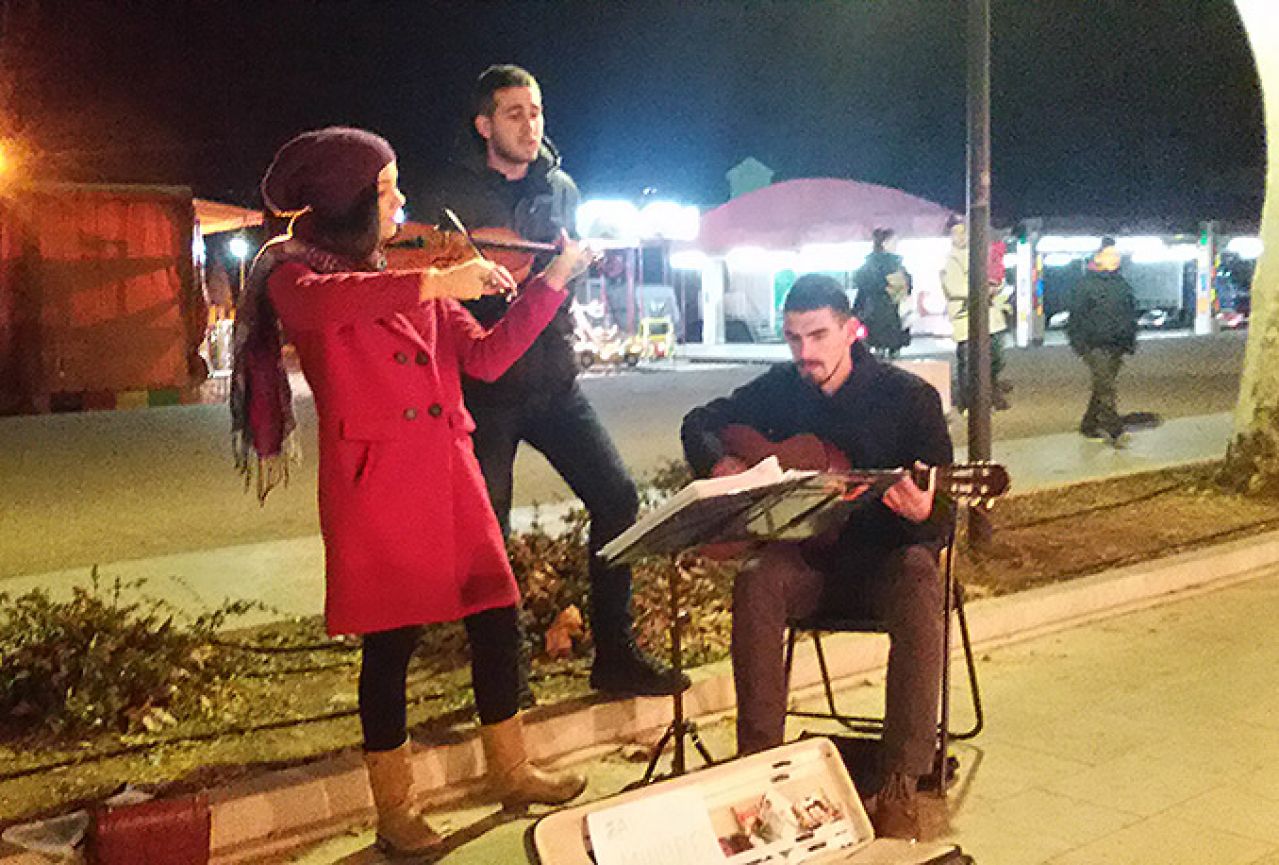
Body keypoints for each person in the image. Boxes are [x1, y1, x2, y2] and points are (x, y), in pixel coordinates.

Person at [230, 127, 589, 856]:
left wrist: (549, 286)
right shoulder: (291, 275)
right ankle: (395, 811)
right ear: (350, 200)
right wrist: (436, 279)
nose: (402, 202)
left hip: (449, 470)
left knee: (496, 613)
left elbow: (485, 360)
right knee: (389, 646)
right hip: (377, 483)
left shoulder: (405, 267)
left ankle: (510, 769)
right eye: (388, 190)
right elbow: (334, 307)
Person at [417, 65, 687, 697]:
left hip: (554, 381)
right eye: (514, 113)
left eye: (536, 111)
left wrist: (569, 275)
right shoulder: (446, 196)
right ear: (484, 124)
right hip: (484, 388)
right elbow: (433, 290)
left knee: (618, 498)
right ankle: (503, 687)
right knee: (491, 540)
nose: (530, 124)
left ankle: (615, 654)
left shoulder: (562, 187)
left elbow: (563, 277)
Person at [680, 274, 954, 840]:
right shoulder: (783, 389)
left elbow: (946, 517)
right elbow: (701, 422)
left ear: (851, 329)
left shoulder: (909, 400)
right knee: (757, 577)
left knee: (922, 575)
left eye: (819, 335)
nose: (806, 353)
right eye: (793, 338)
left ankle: (900, 780)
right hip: (808, 564)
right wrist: (721, 464)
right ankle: (758, 767)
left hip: (884, 565)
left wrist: (924, 512)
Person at [1067, 239, 1138, 447]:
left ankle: (1088, 424)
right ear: (1098, 258)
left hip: (1117, 344)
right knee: (1106, 386)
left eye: (1117, 255)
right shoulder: (1085, 284)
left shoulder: (1122, 284)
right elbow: (1076, 317)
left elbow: (1130, 313)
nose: (1115, 259)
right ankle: (1114, 429)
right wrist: (1079, 344)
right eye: (1110, 255)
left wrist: (1130, 339)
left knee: (1101, 386)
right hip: (1094, 344)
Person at [940, 215, 1010, 412]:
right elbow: (953, 289)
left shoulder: (981, 254)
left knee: (995, 358)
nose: (960, 237)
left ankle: (989, 394)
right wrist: (981, 290)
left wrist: (996, 286)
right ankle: (968, 403)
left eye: (963, 232)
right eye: (956, 233)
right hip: (966, 317)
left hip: (990, 317)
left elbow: (998, 277)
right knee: (969, 362)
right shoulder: (951, 260)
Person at [852, 227, 912, 358]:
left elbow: (860, 285)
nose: (896, 245)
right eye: (894, 242)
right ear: (885, 244)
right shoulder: (894, 266)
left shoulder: (869, 266)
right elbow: (907, 286)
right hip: (891, 315)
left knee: (875, 355)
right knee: (893, 356)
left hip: (872, 315)